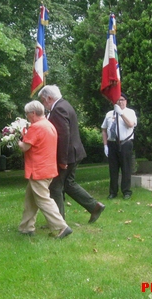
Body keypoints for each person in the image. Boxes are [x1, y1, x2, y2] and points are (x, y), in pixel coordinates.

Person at [38, 85, 105, 224]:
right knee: (68, 184)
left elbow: (63, 136)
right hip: (74, 153)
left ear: (49, 98)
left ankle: (58, 223)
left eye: (43, 101)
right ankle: (94, 206)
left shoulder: (58, 109)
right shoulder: (65, 105)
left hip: (68, 155)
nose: (43, 105)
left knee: (55, 187)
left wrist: (62, 160)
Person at [17, 100, 72, 238]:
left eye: (27, 114)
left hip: (38, 170)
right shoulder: (49, 125)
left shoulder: (36, 127)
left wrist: (18, 141)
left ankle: (61, 226)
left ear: (33, 113)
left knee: (43, 199)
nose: (27, 116)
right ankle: (26, 227)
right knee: (31, 199)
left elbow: (25, 147)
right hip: (48, 168)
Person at [101, 93, 137, 200]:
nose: (120, 102)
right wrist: (105, 145)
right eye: (118, 100)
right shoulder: (109, 114)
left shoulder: (130, 112)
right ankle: (113, 192)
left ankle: (126, 191)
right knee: (113, 169)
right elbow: (104, 129)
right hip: (112, 144)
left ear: (126, 101)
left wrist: (121, 113)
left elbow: (131, 124)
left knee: (126, 168)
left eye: (122, 100)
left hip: (125, 143)